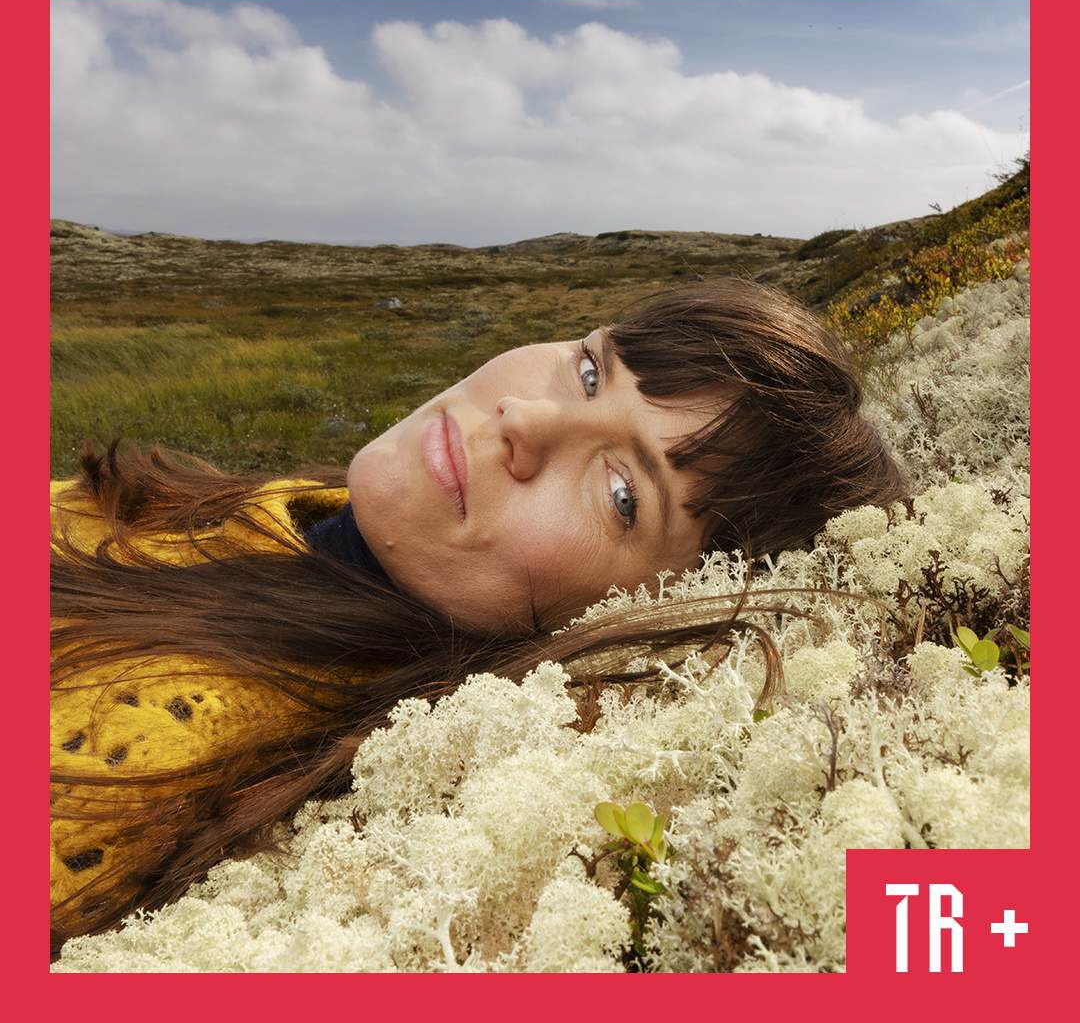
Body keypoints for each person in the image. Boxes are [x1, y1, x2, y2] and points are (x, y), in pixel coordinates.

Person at [50, 277, 909, 960]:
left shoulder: (139, 744)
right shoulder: (283, 514)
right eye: (588, 371)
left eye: (622, 494)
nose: (524, 419)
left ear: (649, 617)